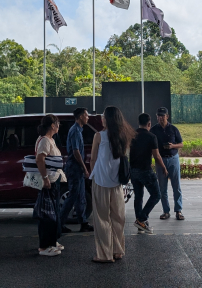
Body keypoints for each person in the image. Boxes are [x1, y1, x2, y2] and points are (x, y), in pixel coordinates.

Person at [89, 106, 133, 263]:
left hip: (100, 182)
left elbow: (93, 159)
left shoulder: (99, 136)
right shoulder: (124, 136)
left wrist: (92, 173)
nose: (102, 119)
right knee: (118, 218)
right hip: (117, 184)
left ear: (107, 119)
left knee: (102, 219)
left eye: (103, 116)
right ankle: (117, 251)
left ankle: (104, 255)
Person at [131, 113, 168, 234]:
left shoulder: (132, 135)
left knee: (138, 197)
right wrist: (163, 167)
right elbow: (156, 156)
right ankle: (141, 219)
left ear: (138, 123)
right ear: (149, 124)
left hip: (133, 170)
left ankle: (140, 225)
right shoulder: (151, 136)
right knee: (156, 195)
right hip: (145, 170)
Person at [34, 114, 65, 257]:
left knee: (53, 213)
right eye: (57, 124)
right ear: (52, 125)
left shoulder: (50, 139)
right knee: (47, 214)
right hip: (49, 181)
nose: (59, 126)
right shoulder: (45, 140)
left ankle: (51, 242)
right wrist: (45, 178)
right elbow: (40, 159)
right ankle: (44, 246)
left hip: (54, 180)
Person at [60, 107, 94, 233]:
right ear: (80, 117)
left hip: (77, 168)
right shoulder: (75, 131)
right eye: (86, 115)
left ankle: (83, 223)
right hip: (74, 168)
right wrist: (84, 168)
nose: (88, 117)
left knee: (81, 197)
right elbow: (76, 152)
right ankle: (60, 223)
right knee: (72, 197)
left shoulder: (78, 130)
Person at [151, 107, 184, 220]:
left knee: (176, 186)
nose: (160, 118)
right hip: (160, 160)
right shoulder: (154, 130)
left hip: (173, 159)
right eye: (158, 116)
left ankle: (178, 210)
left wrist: (172, 146)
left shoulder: (173, 129)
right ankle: (166, 211)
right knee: (162, 187)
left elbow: (181, 144)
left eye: (163, 116)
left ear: (167, 116)